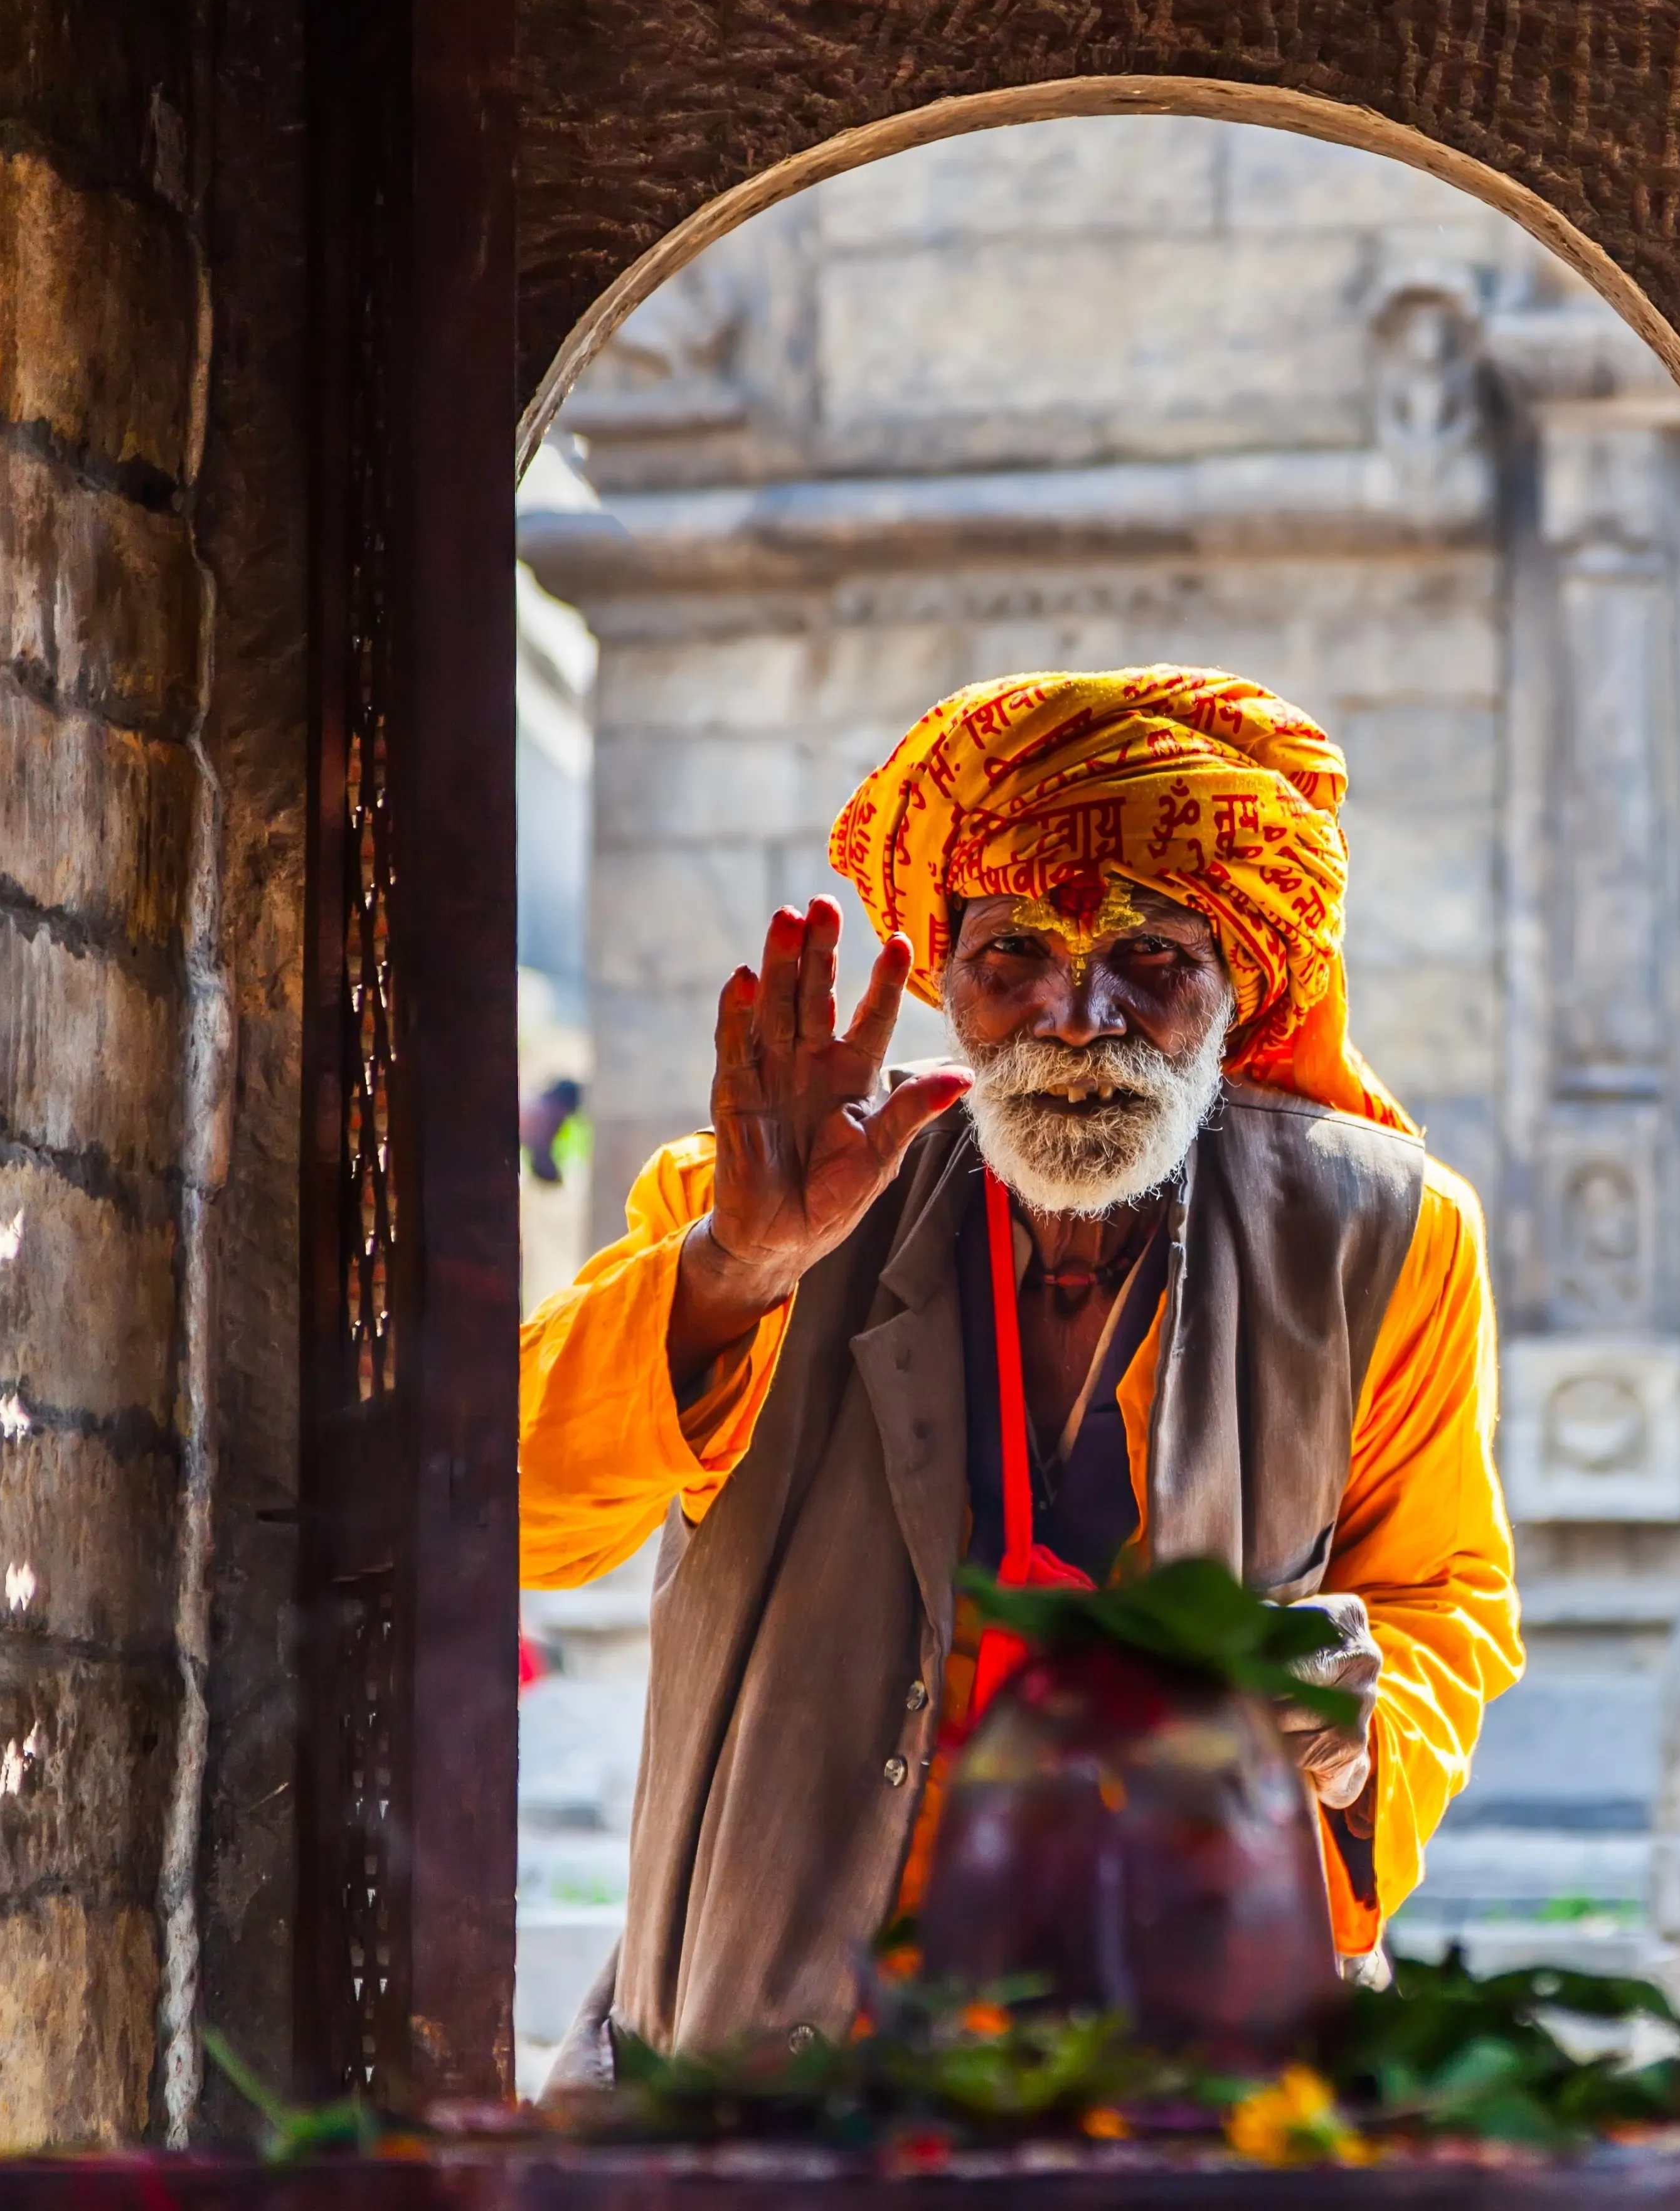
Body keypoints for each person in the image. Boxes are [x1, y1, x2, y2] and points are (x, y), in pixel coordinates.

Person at [518, 665, 1520, 2072]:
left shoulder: (1389, 1236)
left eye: (1151, 962)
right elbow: (521, 1515)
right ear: (948, 979)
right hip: (779, 2047)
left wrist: (1360, 1730)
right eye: (1015, 959)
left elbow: (1440, 1603)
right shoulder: (750, 1212)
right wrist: (739, 1271)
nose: (1078, 1016)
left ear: (1239, 985)